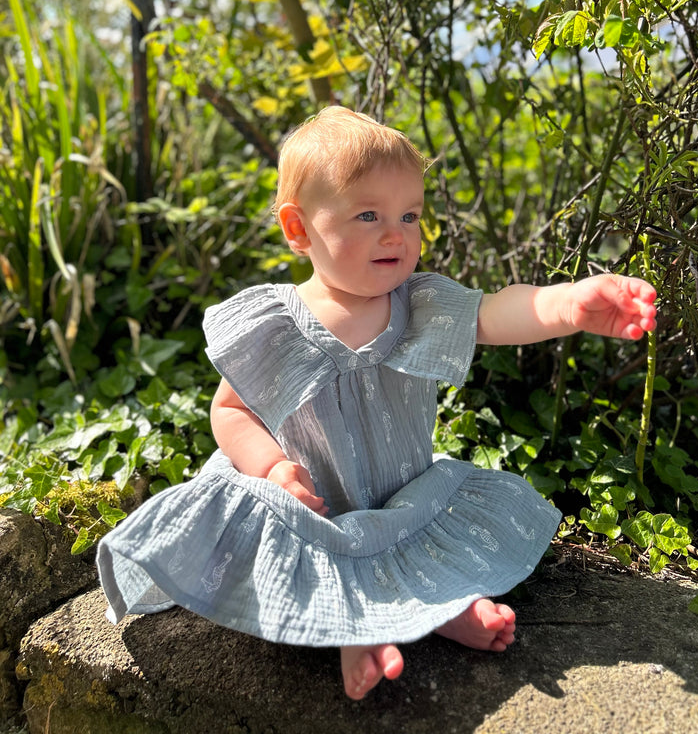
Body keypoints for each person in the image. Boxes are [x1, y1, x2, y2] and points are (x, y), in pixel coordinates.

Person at [97, 106, 657, 700]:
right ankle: (355, 635)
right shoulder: (276, 320)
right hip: (313, 509)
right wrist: (270, 467)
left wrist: (568, 304)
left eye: (409, 214)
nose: (397, 233)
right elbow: (231, 411)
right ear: (299, 229)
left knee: (419, 527)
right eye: (369, 214)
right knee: (310, 535)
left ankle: (443, 607)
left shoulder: (416, 304)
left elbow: (495, 313)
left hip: (400, 499)